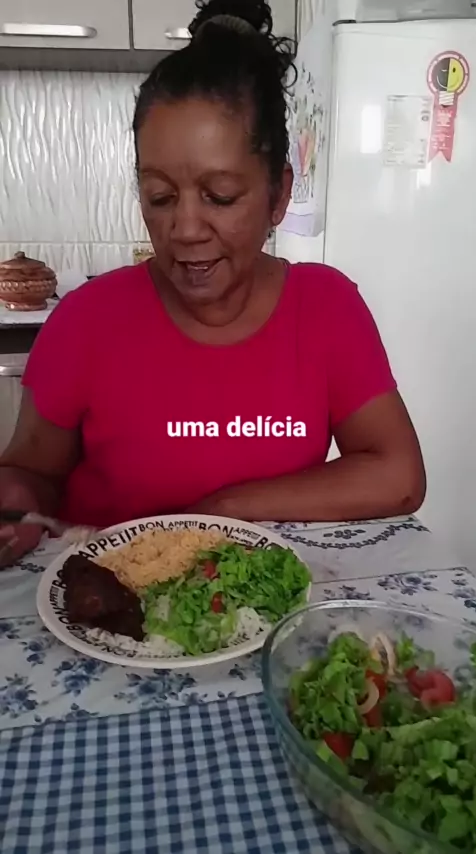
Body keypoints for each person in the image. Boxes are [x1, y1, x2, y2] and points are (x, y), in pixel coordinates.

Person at [0, 0, 425, 568]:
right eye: (159, 197)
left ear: (278, 195)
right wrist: (16, 497)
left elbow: (398, 475)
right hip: (105, 597)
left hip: (255, 601)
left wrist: (224, 510)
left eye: (219, 196)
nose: (185, 228)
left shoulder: (325, 308)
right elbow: (31, 472)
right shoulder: (86, 320)